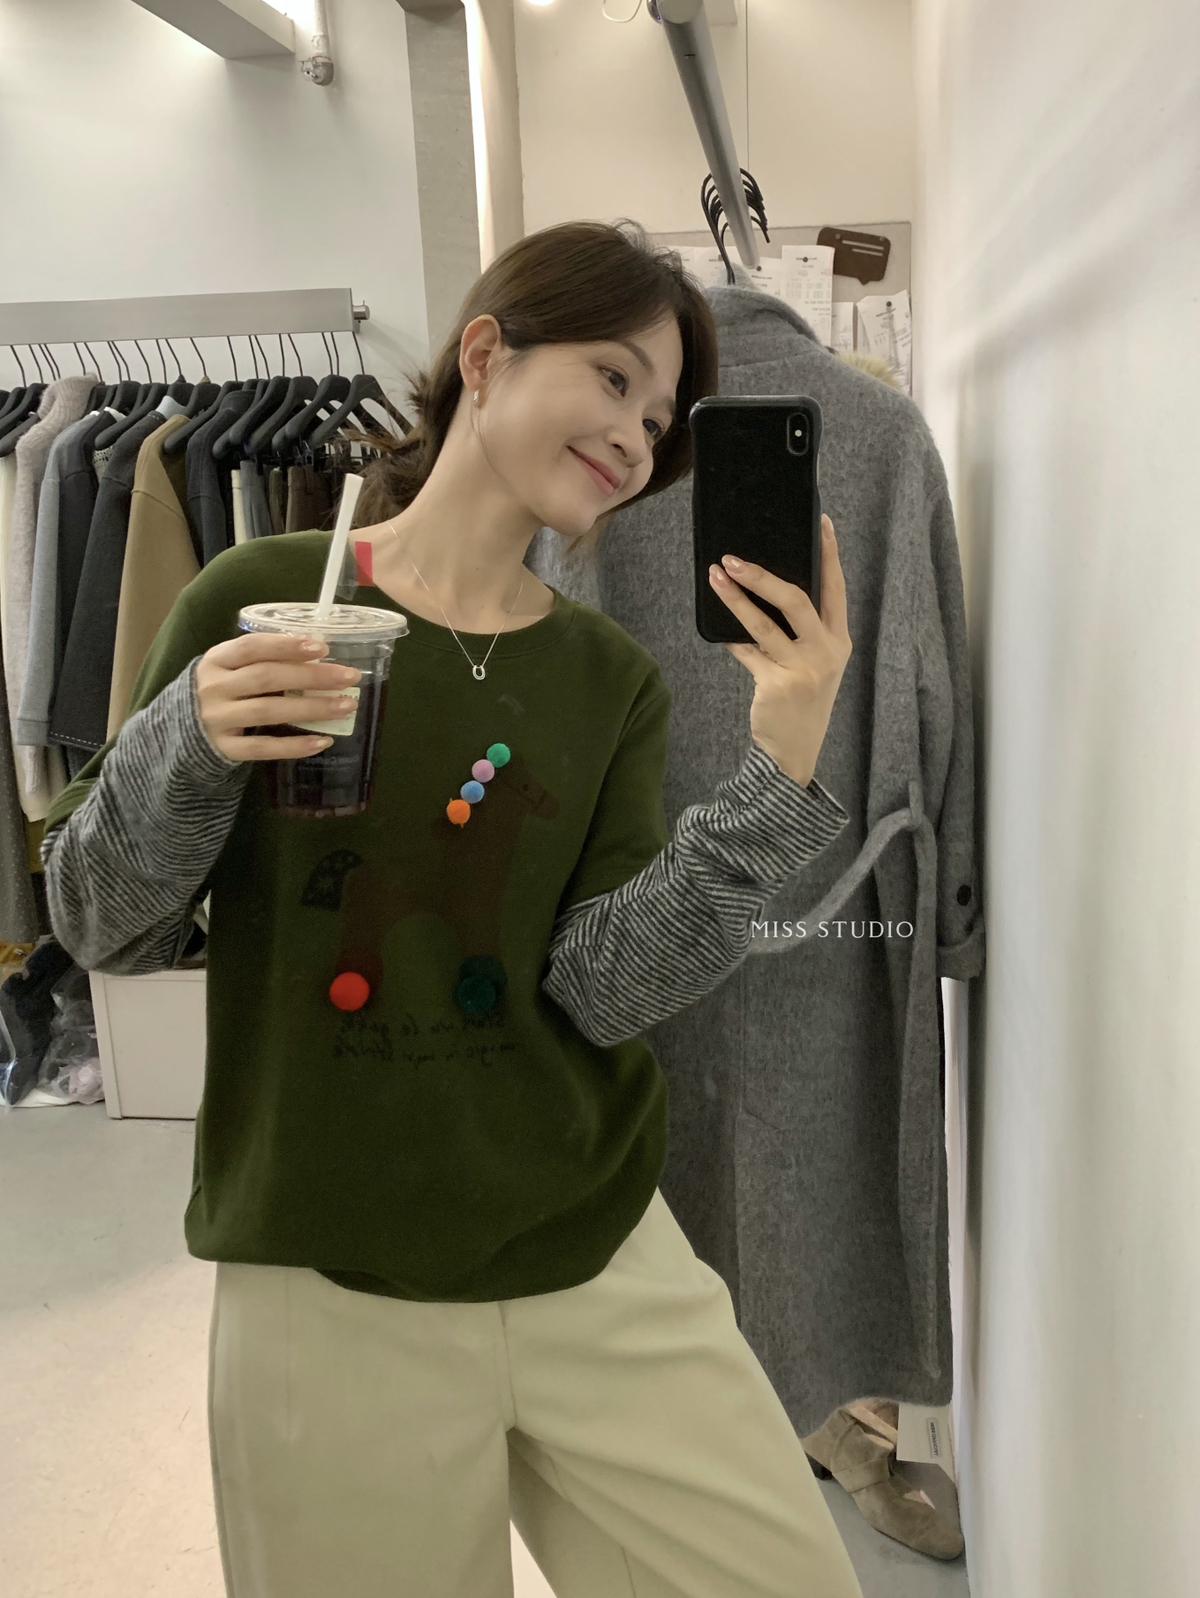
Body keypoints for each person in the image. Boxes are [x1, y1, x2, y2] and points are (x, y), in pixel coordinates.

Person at [43, 220, 860, 1598]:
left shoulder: (608, 677)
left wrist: (783, 760)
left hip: (599, 1250)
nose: (635, 436)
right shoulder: (259, 599)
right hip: (328, 1270)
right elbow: (98, 920)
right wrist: (191, 734)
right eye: (613, 379)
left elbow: (600, 985)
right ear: (486, 355)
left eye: (658, 418)